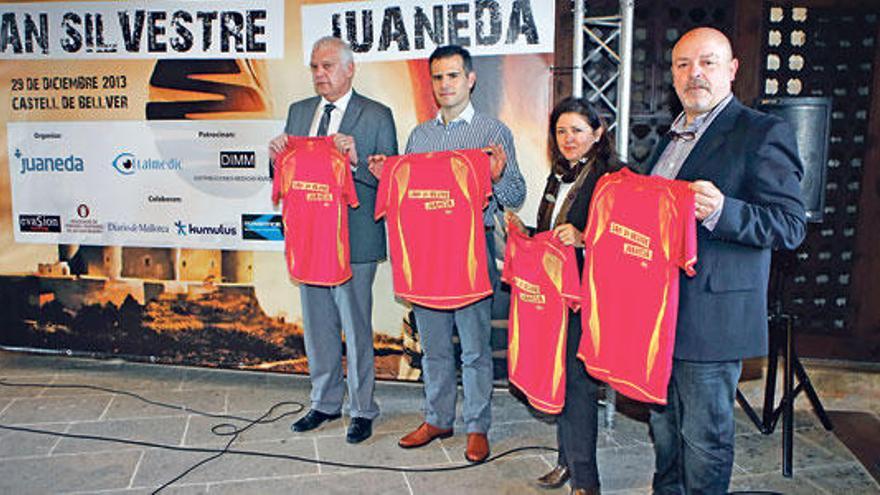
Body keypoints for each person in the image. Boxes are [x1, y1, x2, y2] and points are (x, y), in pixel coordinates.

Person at [642, 27, 806, 493]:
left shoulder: (761, 131)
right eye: (682, 64)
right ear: (672, 75)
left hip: (713, 319)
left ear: (732, 70)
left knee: (704, 440)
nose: (695, 74)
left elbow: (790, 226)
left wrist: (721, 211)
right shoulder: (670, 137)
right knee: (666, 432)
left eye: (708, 62)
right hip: (660, 316)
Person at [371, 45, 525, 463]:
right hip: (426, 261)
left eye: (453, 76)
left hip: (472, 259)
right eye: (438, 77)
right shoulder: (420, 136)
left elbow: (517, 195)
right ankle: (438, 418)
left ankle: (477, 427)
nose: (445, 85)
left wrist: (494, 179)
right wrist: (386, 176)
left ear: (470, 80)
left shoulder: (494, 133)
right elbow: (406, 198)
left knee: (475, 350)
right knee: (434, 348)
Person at [269, 36, 398, 444]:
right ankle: (324, 402)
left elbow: (390, 181)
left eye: (326, 66)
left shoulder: (378, 115)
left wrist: (357, 160)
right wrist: (274, 158)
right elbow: (286, 180)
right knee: (318, 327)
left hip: (354, 240)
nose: (319, 74)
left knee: (356, 328)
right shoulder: (298, 112)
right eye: (314, 67)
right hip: (309, 238)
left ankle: (362, 409)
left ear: (349, 69)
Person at [507, 97, 620, 495]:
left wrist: (587, 239)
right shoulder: (559, 175)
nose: (568, 139)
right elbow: (550, 235)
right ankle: (565, 463)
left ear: (598, 132)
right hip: (556, 297)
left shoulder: (614, 176)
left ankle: (587, 482)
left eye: (577, 130)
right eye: (560, 131)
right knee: (559, 379)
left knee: (578, 389)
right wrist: (523, 232)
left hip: (590, 299)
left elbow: (628, 239)